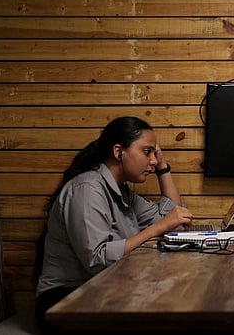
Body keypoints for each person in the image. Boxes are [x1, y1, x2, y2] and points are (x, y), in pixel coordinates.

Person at [34, 116, 193, 332]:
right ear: (119, 152)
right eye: (147, 152)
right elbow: (97, 260)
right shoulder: (87, 189)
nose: (153, 160)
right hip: (64, 302)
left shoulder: (122, 190)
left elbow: (171, 218)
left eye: (154, 154)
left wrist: (163, 167)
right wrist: (157, 229)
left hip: (102, 291)